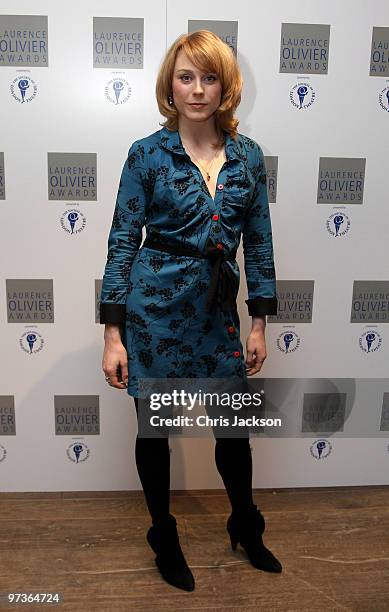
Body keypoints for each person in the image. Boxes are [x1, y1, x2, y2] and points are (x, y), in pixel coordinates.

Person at [99, 30, 282, 592]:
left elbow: (260, 240)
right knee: (155, 432)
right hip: (153, 309)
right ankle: (163, 533)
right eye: (186, 76)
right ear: (169, 85)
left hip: (217, 312)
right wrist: (113, 332)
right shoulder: (146, 154)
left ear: (225, 86)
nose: (197, 89)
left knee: (234, 432)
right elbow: (123, 239)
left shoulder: (248, 156)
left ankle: (245, 524)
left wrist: (258, 322)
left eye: (209, 77)